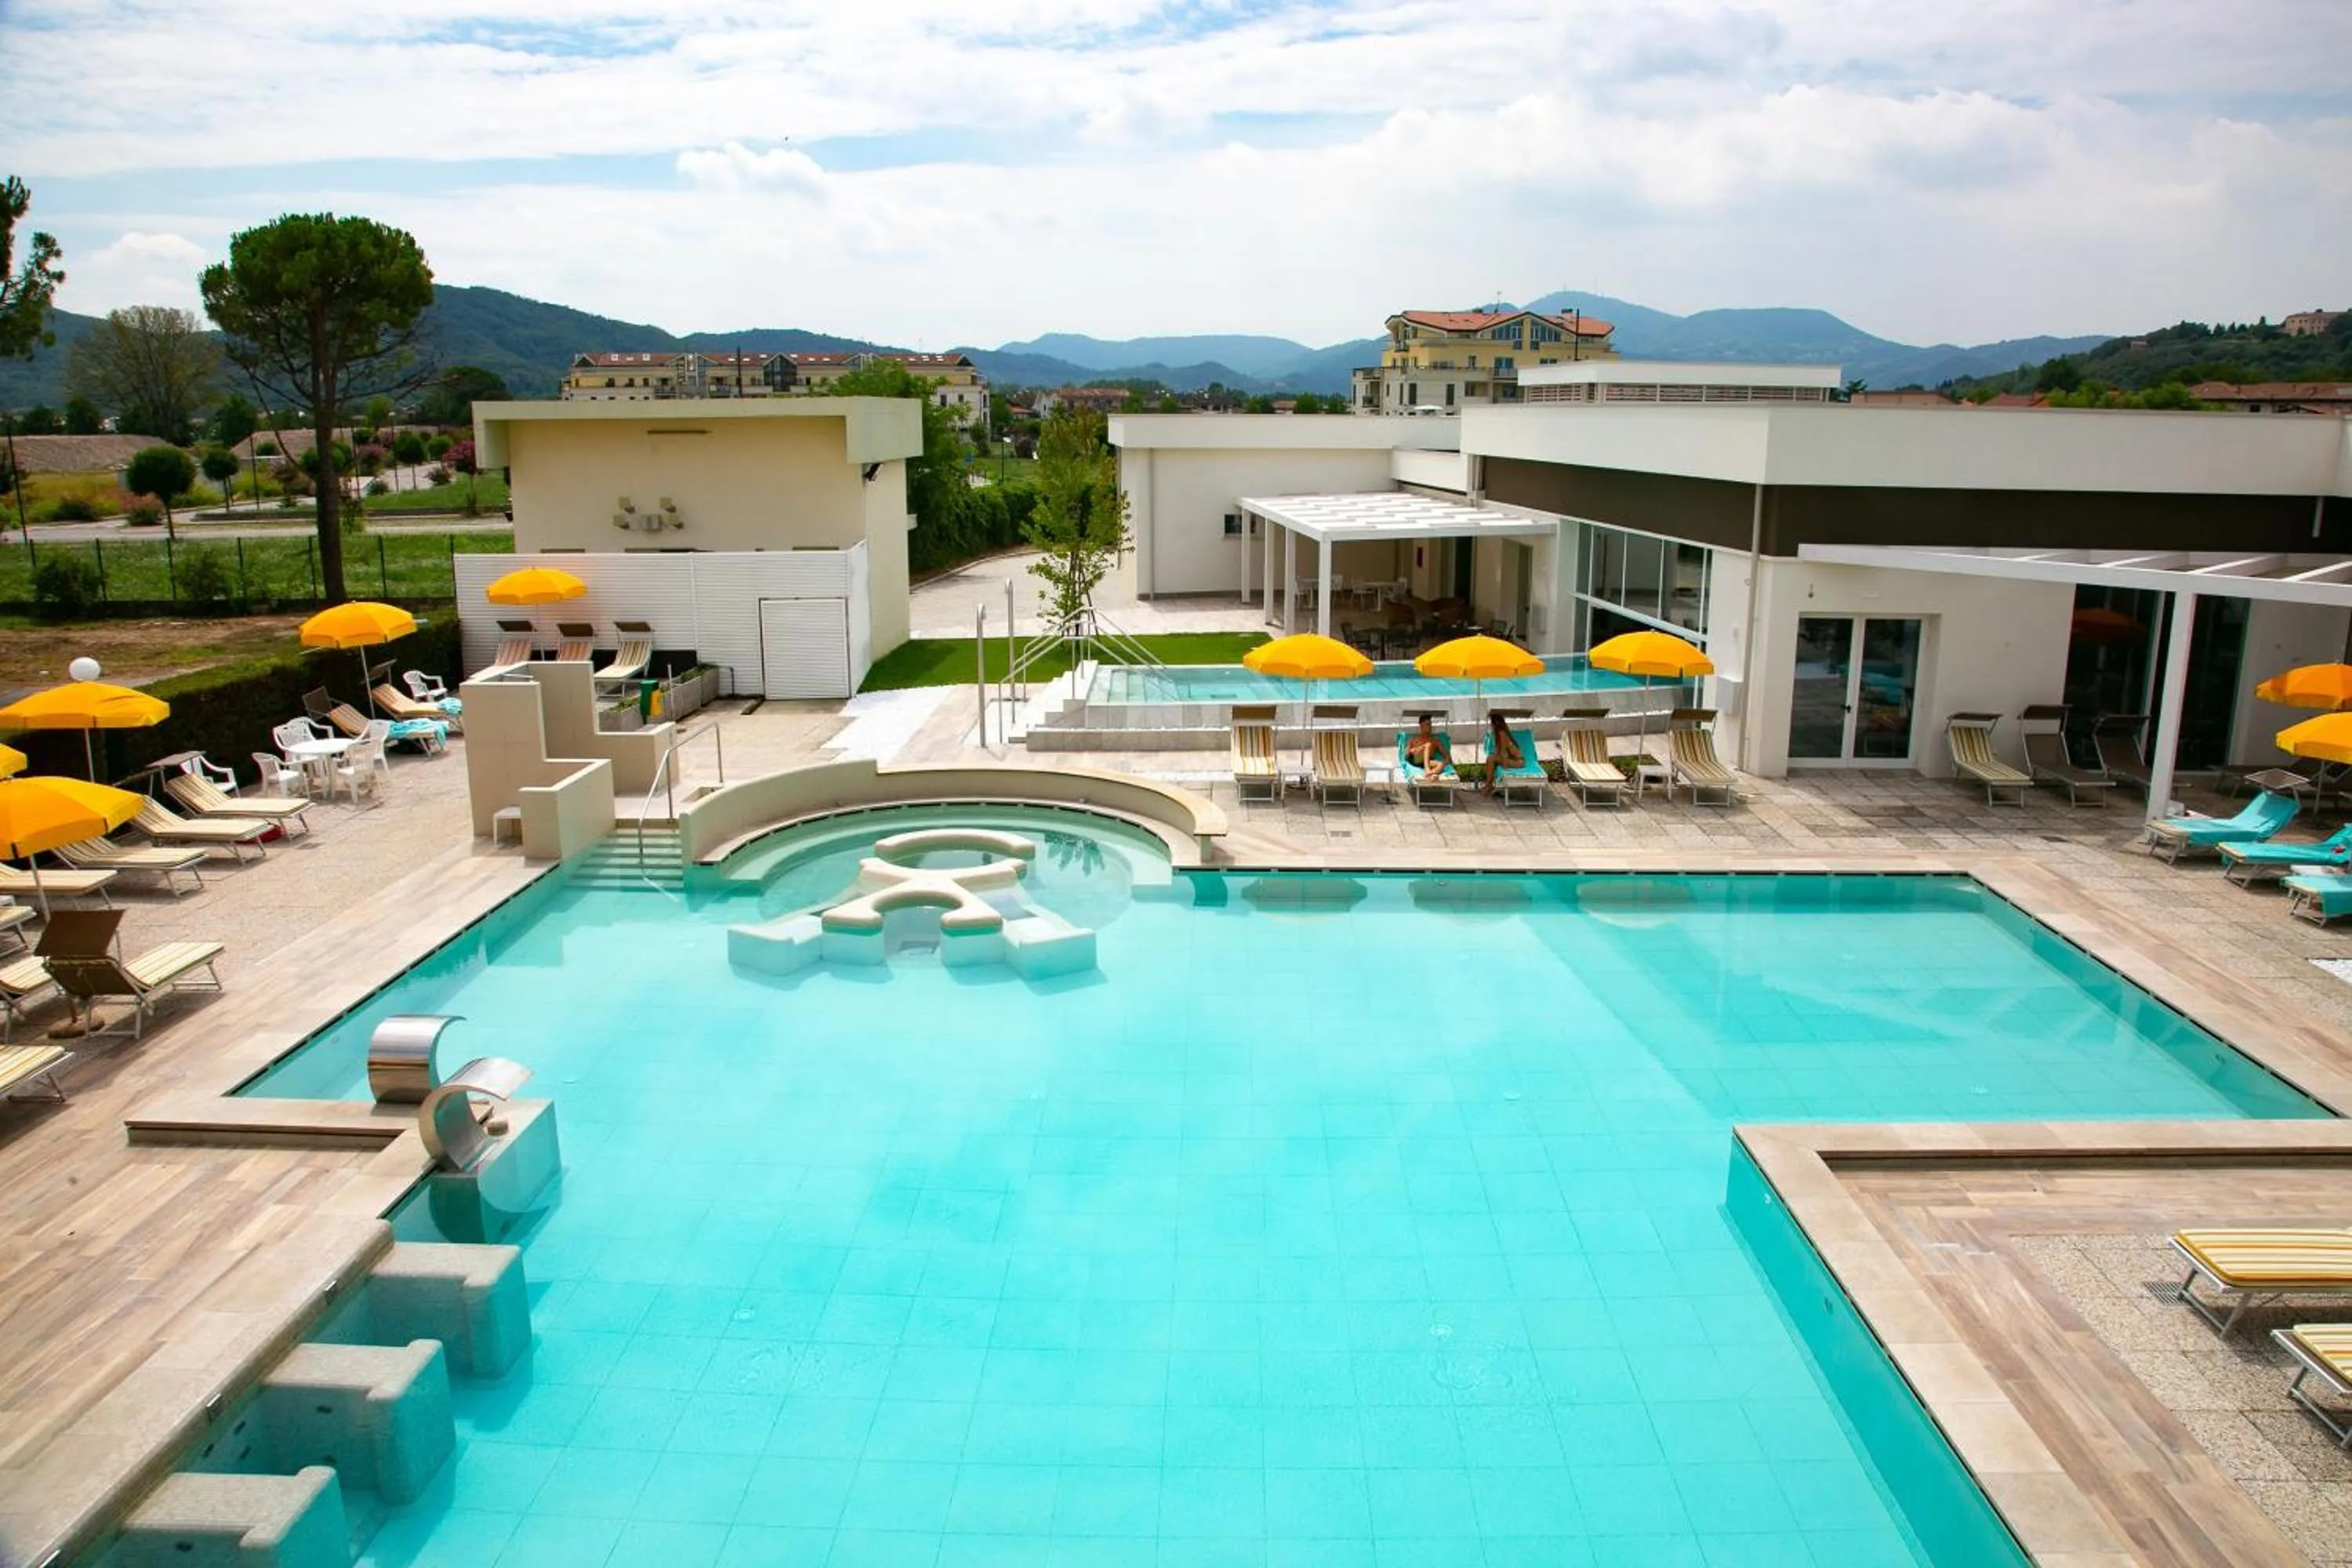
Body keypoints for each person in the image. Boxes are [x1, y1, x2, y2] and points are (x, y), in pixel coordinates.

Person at [1480, 712, 1523, 797]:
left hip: (1519, 762)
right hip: (1512, 760)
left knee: (1491, 759)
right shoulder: (1499, 734)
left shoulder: (1502, 734)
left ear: (1495, 725)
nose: (1490, 726)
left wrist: (1504, 767)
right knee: (1491, 758)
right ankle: (1489, 785)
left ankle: (1489, 785)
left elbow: (1503, 753)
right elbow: (1498, 752)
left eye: (1491, 724)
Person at [1405, 715, 1450, 779]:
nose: (1430, 727)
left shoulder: (1435, 741)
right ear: (1421, 726)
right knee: (1428, 745)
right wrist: (1411, 751)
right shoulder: (1414, 740)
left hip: (1427, 762)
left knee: (1440, 764)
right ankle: (1428, 771)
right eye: (1427, 724)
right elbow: (1406, 755)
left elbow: (1446, 755)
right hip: (1416, 759)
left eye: (1430, 724)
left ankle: (1431, 774)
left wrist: (1446, 760)